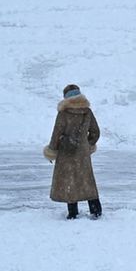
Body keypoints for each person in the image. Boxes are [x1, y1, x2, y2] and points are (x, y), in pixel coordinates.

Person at [43, 84, 102, 219]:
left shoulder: (63, 113)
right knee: (87, 181)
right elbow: (96, 132)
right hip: (82, 154)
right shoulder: (87, 112)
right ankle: (96, 210)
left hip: (66, 153)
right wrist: (87, 145)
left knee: (69, 182)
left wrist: (52, 150)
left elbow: (56, 134)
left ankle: (73, 212)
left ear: (66, 97)